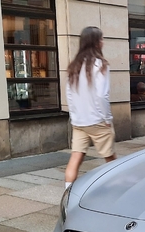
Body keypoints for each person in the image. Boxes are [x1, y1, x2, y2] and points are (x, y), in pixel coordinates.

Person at [64, 26, 116, 190]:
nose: (103, 42)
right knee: (110, 158)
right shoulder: (100, 65)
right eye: (100, 39)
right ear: (95, 43)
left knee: (76, 157)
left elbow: (69, 95)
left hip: (79, 121)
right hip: (97, 120)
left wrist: (74, 117)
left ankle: (67, 194)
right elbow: (102, 95)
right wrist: (107, 119)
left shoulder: (74, 66)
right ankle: (118, 189)